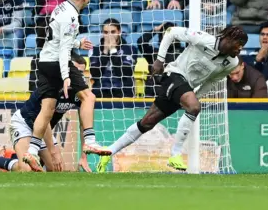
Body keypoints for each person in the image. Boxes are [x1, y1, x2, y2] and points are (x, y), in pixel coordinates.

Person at [96, 26, 248, 172]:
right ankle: (175, 154)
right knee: (194, 107)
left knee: (147, 122)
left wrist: (197, 96)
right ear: (228, 39)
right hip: (173, 74)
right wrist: (160, 60)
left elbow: (212, 81)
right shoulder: (203, 39)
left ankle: (109, 151)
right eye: (239, 44)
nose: (240, 48)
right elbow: (171, 32)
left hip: (184, 88)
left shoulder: (232, 63)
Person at [22, 0, 110, 172]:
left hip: (43, 61)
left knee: (47, 108)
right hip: (57, 62)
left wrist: (78, 43)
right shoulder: (72, 16)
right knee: (89, 96)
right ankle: (90, 141)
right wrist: (65, 75)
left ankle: (31, 150)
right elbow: (63, 50)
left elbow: (58, 37)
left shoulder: (61, 7)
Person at [0, 54, 92, 172]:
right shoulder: (51, 86)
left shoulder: (81, 94)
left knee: (57, 171)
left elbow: (84, 125)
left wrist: (83, 157)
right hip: (24, 124)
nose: (77, 76)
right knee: (27, 170)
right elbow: (44, 118)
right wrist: (53, 152)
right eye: (74, 71)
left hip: (42, 130)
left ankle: (14, 157)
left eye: (81, 73)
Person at [90, 19, 136, 98]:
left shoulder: (130, 49)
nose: (109, 35)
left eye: (113, 32)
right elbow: (95, 75)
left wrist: (113, 51)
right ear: (102, 33)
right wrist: (104, 52)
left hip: (123, 92)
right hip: (100, 92)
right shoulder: (95, 49)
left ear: (119, 32)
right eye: (106, 32)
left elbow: (125, 73)